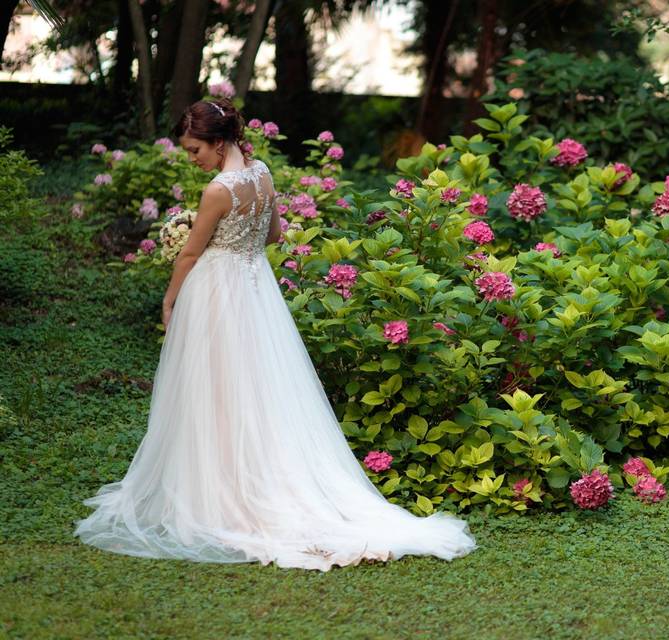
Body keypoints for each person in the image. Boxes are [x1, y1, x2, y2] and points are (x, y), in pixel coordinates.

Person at [73, 97, 477, 570]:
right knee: (256, 389)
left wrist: (169, 299)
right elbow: (273, 236)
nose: (192, 160)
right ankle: (242, 479)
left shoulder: (218, 191)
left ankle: (223, 493)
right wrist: (233, 239)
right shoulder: (262, 174)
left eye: (194, 150)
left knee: (219, 390)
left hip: (218, 293)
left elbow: (189, 256)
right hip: (255, 291)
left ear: (218, 144)